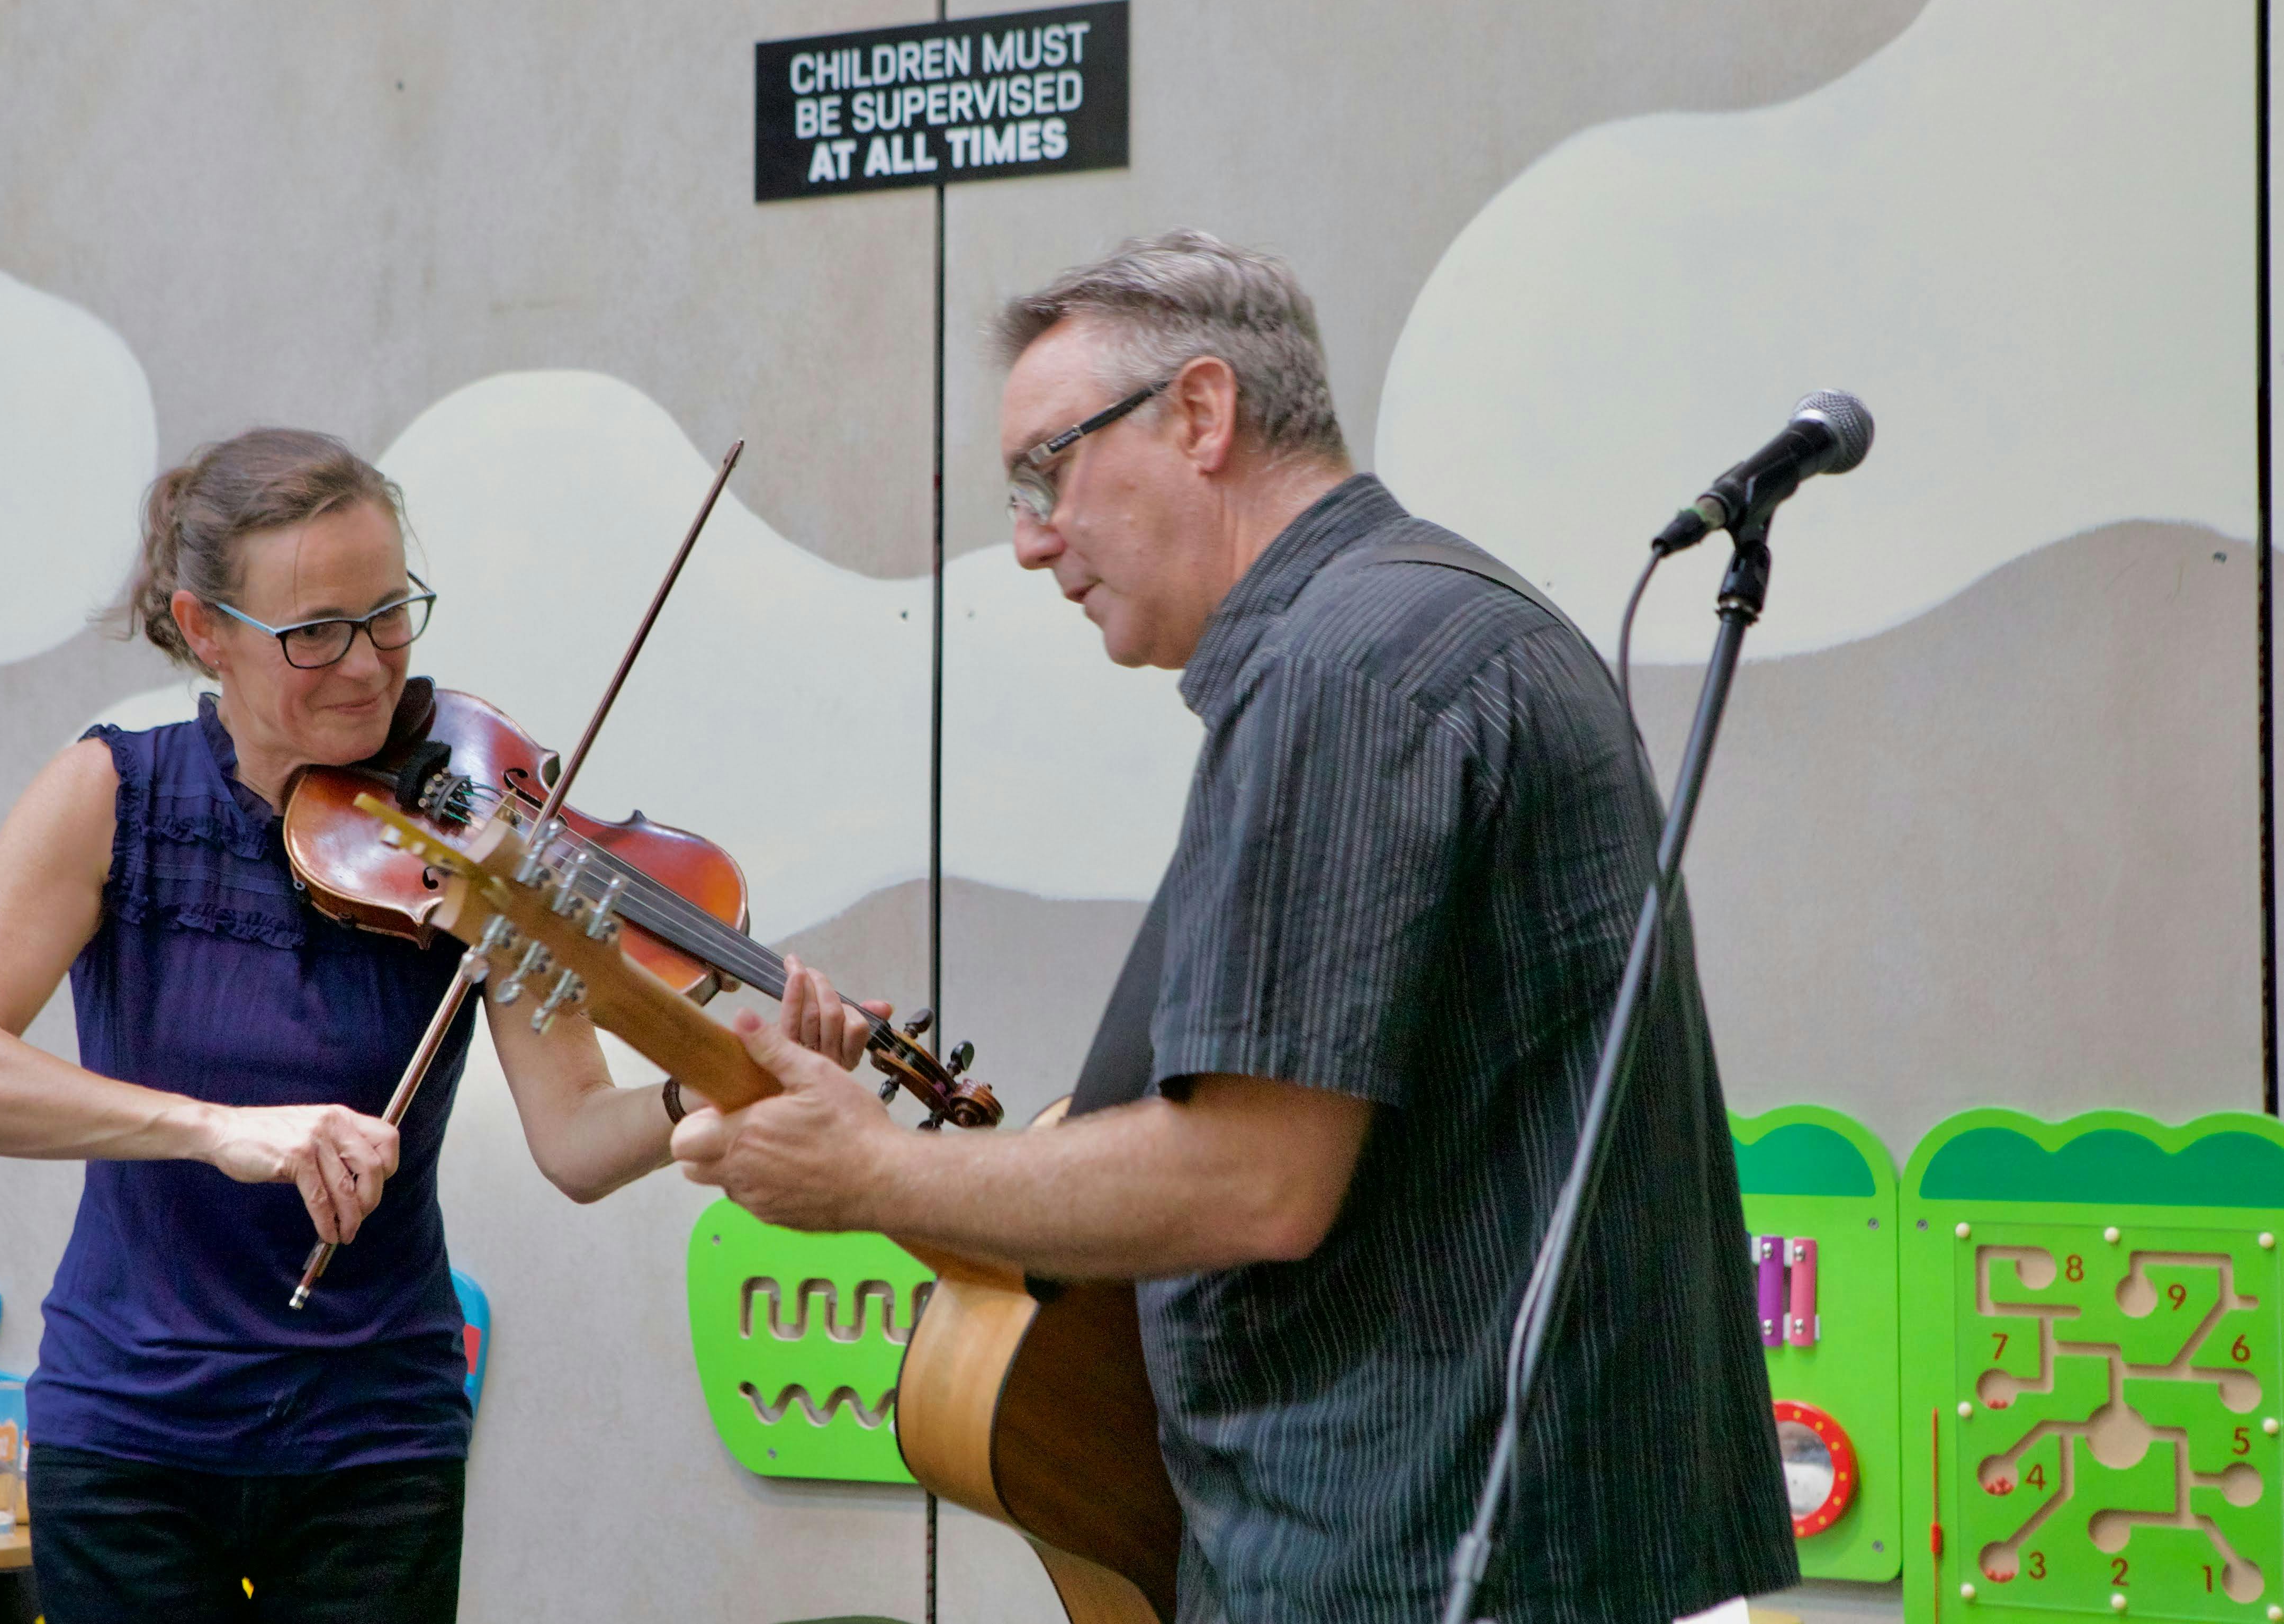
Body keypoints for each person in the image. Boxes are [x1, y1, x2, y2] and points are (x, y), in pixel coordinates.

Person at [671, 233, 1798, 1623]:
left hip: (1433, 1566)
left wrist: (865, 1178)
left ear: (1200, 414)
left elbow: (1252, 1180)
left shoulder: (1347, 671)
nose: (1027, 540)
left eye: (1046, 472)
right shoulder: (1436, 623)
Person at [0, 428, 865, 1622]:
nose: (366, 666)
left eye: (390, 614)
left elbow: (573, 1139)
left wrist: (715, 1083)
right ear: (206, 633)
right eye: (314, 633)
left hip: (376, 1438)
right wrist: (215, 1130)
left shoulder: (476, 838)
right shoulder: (112, 798)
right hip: (136, 1429)